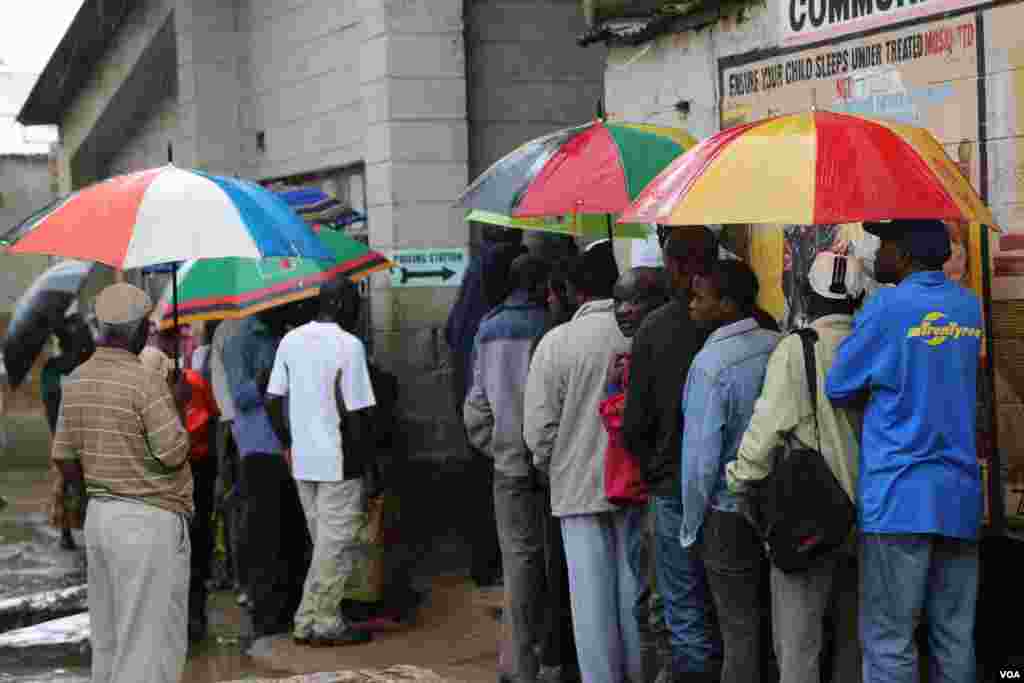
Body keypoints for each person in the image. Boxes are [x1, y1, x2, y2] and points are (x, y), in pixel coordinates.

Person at [826, 220, 984, 683]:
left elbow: (839, 385)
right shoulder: (969, 306)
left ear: (907, 253)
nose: (878, 252)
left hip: (897, 497)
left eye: (886, 243)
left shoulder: (886, 306)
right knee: (954, 637)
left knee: (890, 639)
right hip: (958, 496)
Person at [728, 251, 867, 683]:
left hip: (811, 517)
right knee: (855, 643)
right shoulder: (873, 344)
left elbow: (765, 430)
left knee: (799, 646)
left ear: (805, 293)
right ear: (860, 299)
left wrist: (741, 480)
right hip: (871, 518)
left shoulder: (795, 350)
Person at [52, 283, 192, 683]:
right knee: (148, 644)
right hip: (148, 523)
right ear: (135, 330)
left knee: (110, 640)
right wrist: (176, 402)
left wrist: (101, 489)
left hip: (101, 519)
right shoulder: (145, 382)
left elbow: (64, 457)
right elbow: (174, 452)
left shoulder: (75, 380)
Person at [524, 245, 642, 683]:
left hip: (576, 487)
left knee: (590, 601)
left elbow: (538, 431)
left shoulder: (556, 344)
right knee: (634, 590)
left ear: (573, 291)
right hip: (634, 485)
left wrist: (552, 461)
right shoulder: (635, 334)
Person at [622, 227, 724, 683]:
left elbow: (634, 425)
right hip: (730, 488)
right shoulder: (749, 323)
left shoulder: (655, 329)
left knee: (684, 610)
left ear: (679, 267)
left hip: (673, 487)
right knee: (731, 607)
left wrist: (651, 466)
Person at [680, 260, 780, 683]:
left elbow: (701, 458)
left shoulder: (710, 365)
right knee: (778, 625)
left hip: (727, 511)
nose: (691, 306)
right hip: (782, 505)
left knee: (738, 629)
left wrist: (691, 523)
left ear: (726, 305)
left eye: (700, 298)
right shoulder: (780, 345)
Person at [267, 275, 376, 647]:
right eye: (356, 302)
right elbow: (359, 414)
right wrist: (368, 470)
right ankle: (324, 621)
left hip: (303, 460)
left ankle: (307, 621)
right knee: (335, 545)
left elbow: (272, 400)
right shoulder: (350, 346)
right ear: (343, 304)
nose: (359, 310)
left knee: (325, 546)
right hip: (340, 460)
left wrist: (287, 443)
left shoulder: (290, 341)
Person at [464, 255, 552, 683]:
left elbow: (475, 407)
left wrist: (499, 448)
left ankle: (517, 665)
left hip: (510, 468)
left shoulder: (488, 327)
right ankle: (545, 660)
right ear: (542, 285)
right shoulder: (552, 326)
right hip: (554, 468)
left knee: (518, 564)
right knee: (557, 565)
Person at [447, 226, 529, 589]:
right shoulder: (503, 313)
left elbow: (452, 332)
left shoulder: (474, 278)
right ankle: (494, 566)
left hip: (474, 406)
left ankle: (485, 565)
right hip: (505, 416)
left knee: (484, 487)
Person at [603, 267, 670, 683]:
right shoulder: (633, 355)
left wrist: (613, 395)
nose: (624, 311)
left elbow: (629, 427)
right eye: (617, 302)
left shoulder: (650, 354)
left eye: (634, 301)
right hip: (638, 496)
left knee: (652, 604)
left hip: (648, 494)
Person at [41, 314, 95, 551]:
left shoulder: (52, 369)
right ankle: (77, 527)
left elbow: (49, 404)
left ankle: (67, 530)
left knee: (65, 481)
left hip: (63, 432)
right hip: (82, 432)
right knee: (80, 483)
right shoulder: (83, 364)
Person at [209, 317, 245, 593]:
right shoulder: (239, 329)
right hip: (240, 426)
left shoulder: (223, 331)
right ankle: (239, 577)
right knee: (238, 504)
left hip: (229, 423)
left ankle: (237, 577)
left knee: (235, 505)